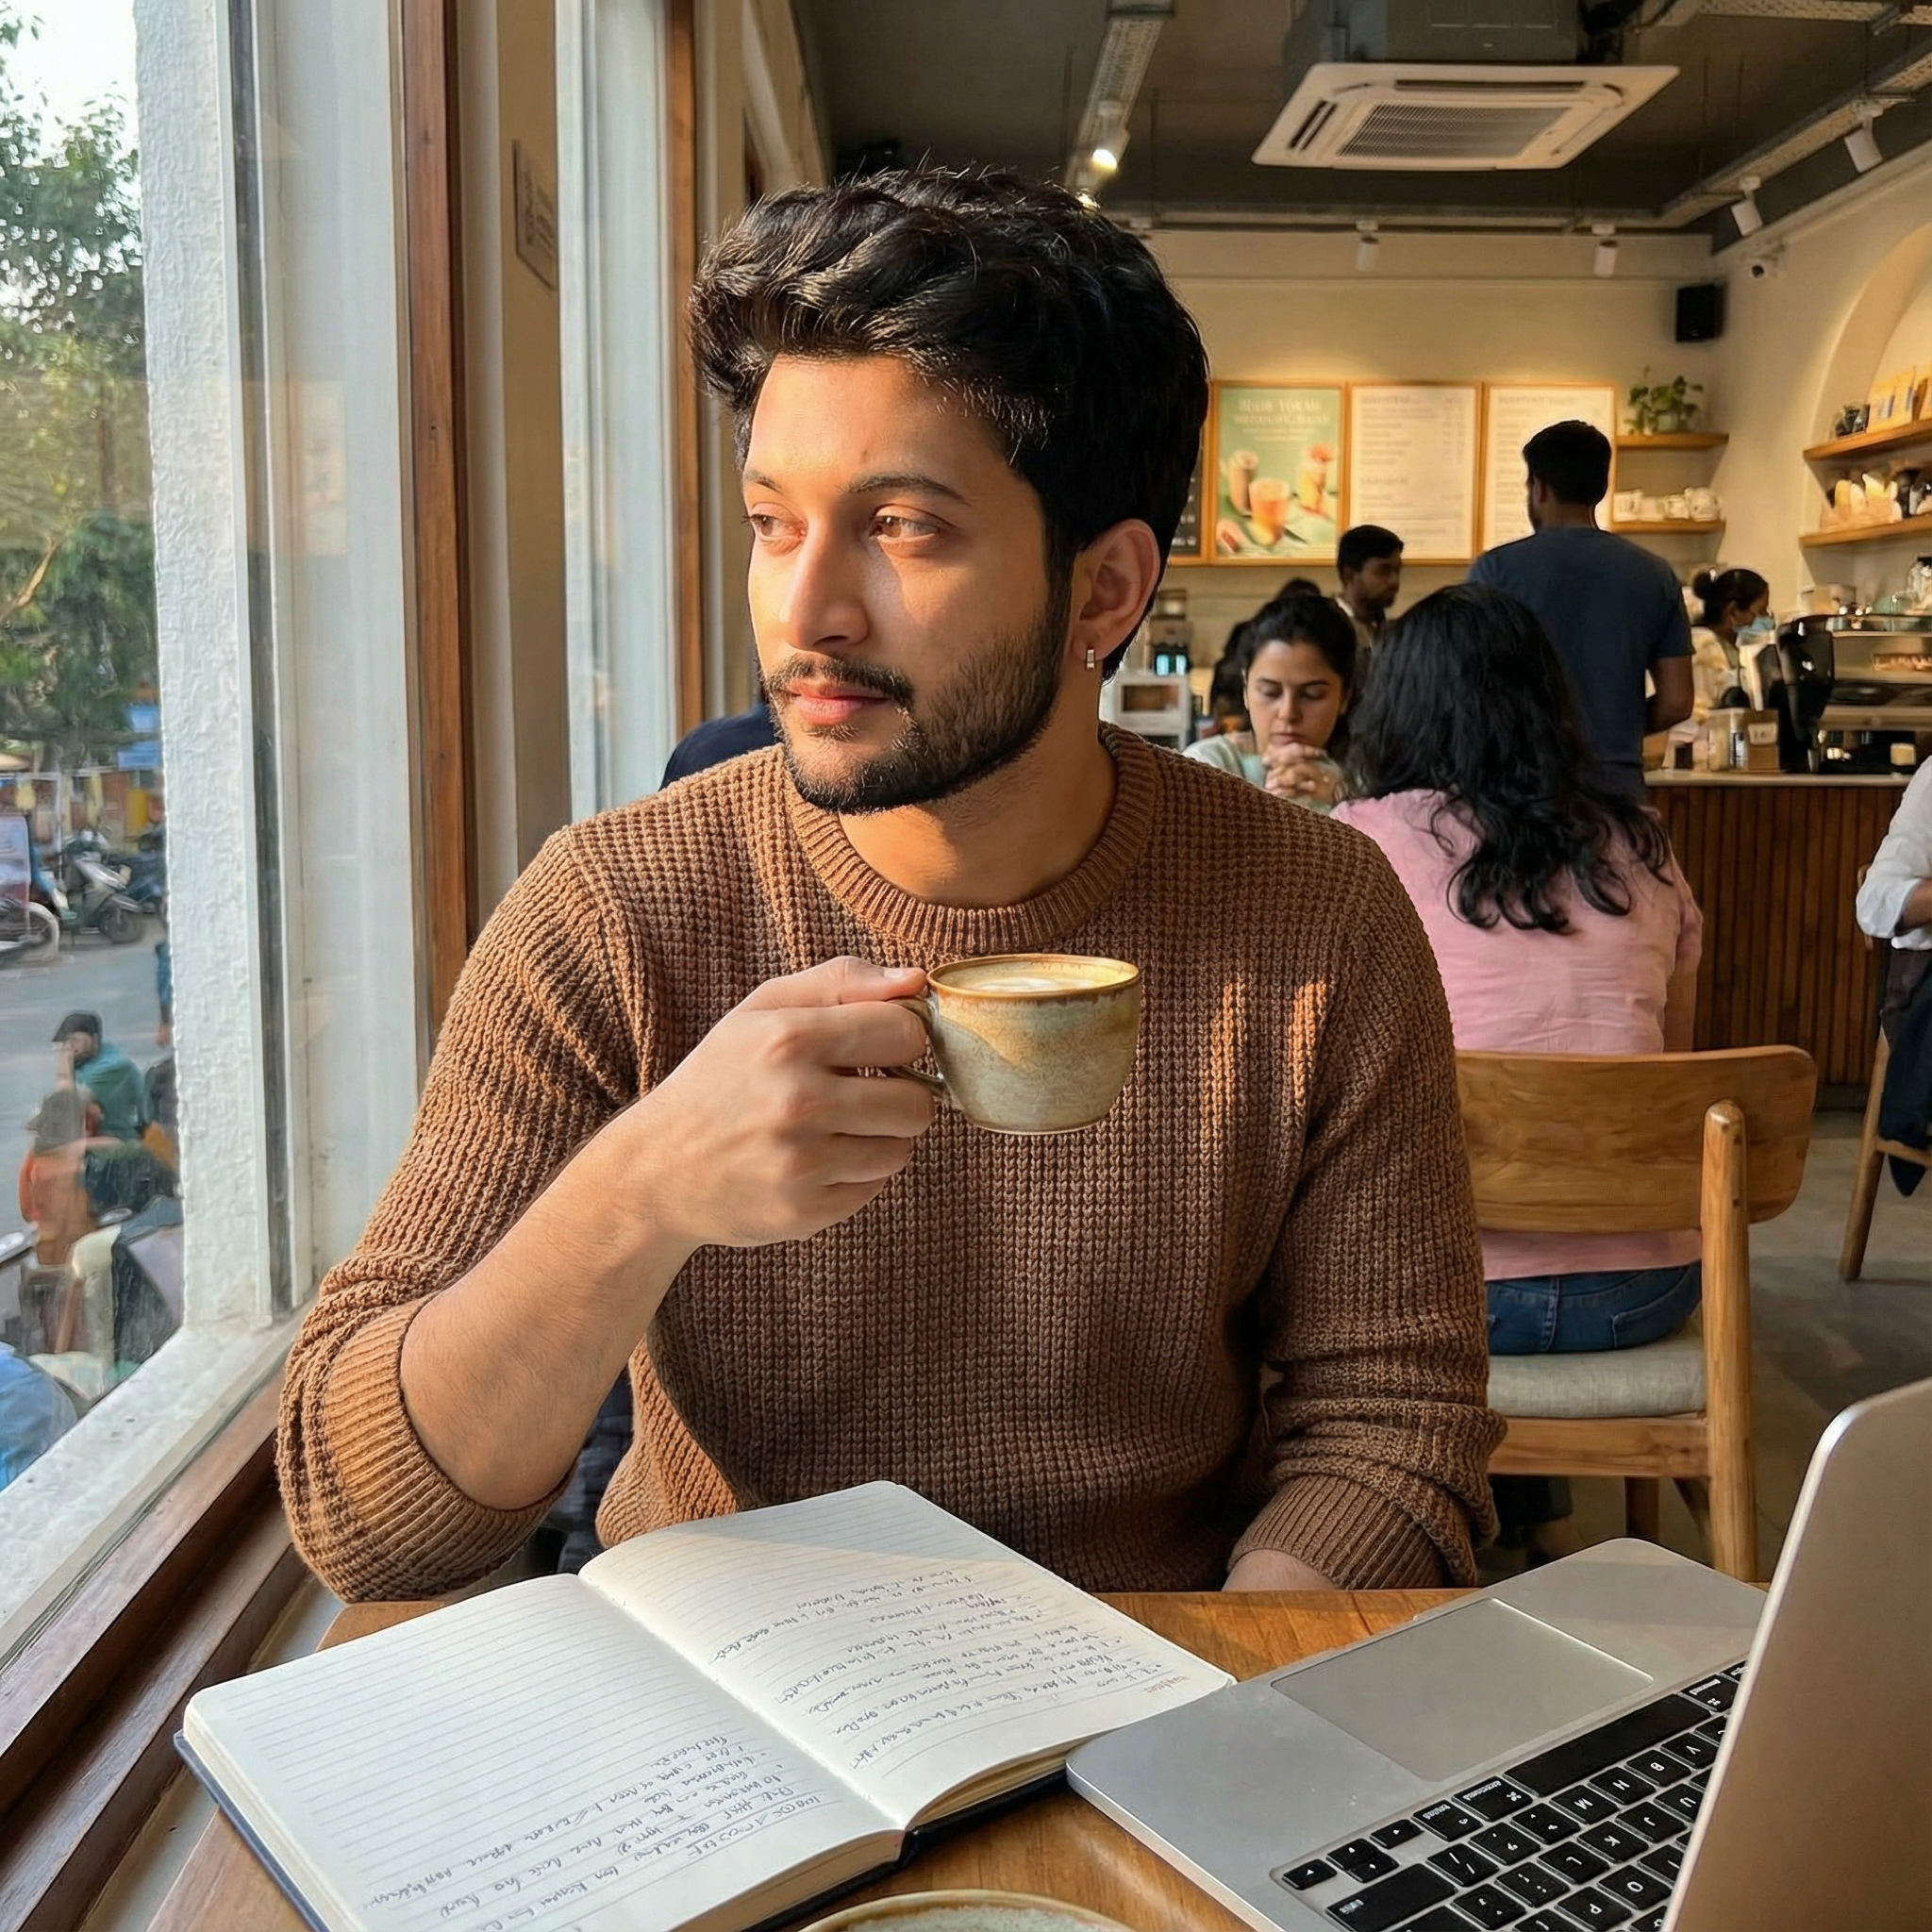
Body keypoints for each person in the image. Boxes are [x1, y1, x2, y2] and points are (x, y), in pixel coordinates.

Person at [278, 168, 1499, 1606]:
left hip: (1155, 1685)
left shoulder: (1316, 921)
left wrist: (1210, 1705)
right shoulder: (615, 910)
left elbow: (1394, 1426)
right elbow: (362, 1520)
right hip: (726, 1719)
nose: (805, 611)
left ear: (1104, 592)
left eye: (903, 526)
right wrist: (643, 1191)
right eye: (772, 523)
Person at [1334, 584, 1703, 1559]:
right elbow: (1674, 1071)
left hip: (1443, 1301)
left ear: (1393, 704)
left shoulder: (1359, 842)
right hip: (1641, 1290)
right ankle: (1527, 1512)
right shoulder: (1643, 849)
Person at [1467, 421, 1693, 799]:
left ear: (1538, 487)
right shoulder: (1655, 575)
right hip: (1616, 788)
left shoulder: (1495, 571)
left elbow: (1465, 686)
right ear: (1601, 489)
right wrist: (1615, 728)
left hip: (1519, 785)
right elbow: (1677, 701)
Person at [1185, 591, 1356, 810]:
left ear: (1344, 697)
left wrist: (1346, 805)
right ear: (1246, 690)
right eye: (1270, 692)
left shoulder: (1365, 780)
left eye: (1311, 695)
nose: (1288, 713)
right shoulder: (1207, 767)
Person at [1689, 567, 1773, 723]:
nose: (1766, 618)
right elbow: (1699, 712)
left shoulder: (1727, 647)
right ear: (1732, 611)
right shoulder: (1705, 646)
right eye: (1760, 611)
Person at [51, 1012, 144, 1143]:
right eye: (64, 1042)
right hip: (101, 1136)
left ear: (94, 1038)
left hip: (121, 1141)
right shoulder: (88, 1059)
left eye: (74, 1040)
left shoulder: (110, 1070)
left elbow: (67, 1109)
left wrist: (63, 1074)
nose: (68, 1047)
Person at [1334, 524, 1403, 656]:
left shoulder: (1389, 632)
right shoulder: (1323, 630)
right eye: (1384, 570)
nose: (1395, 581)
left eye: (1397, 570)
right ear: (1349, 574)